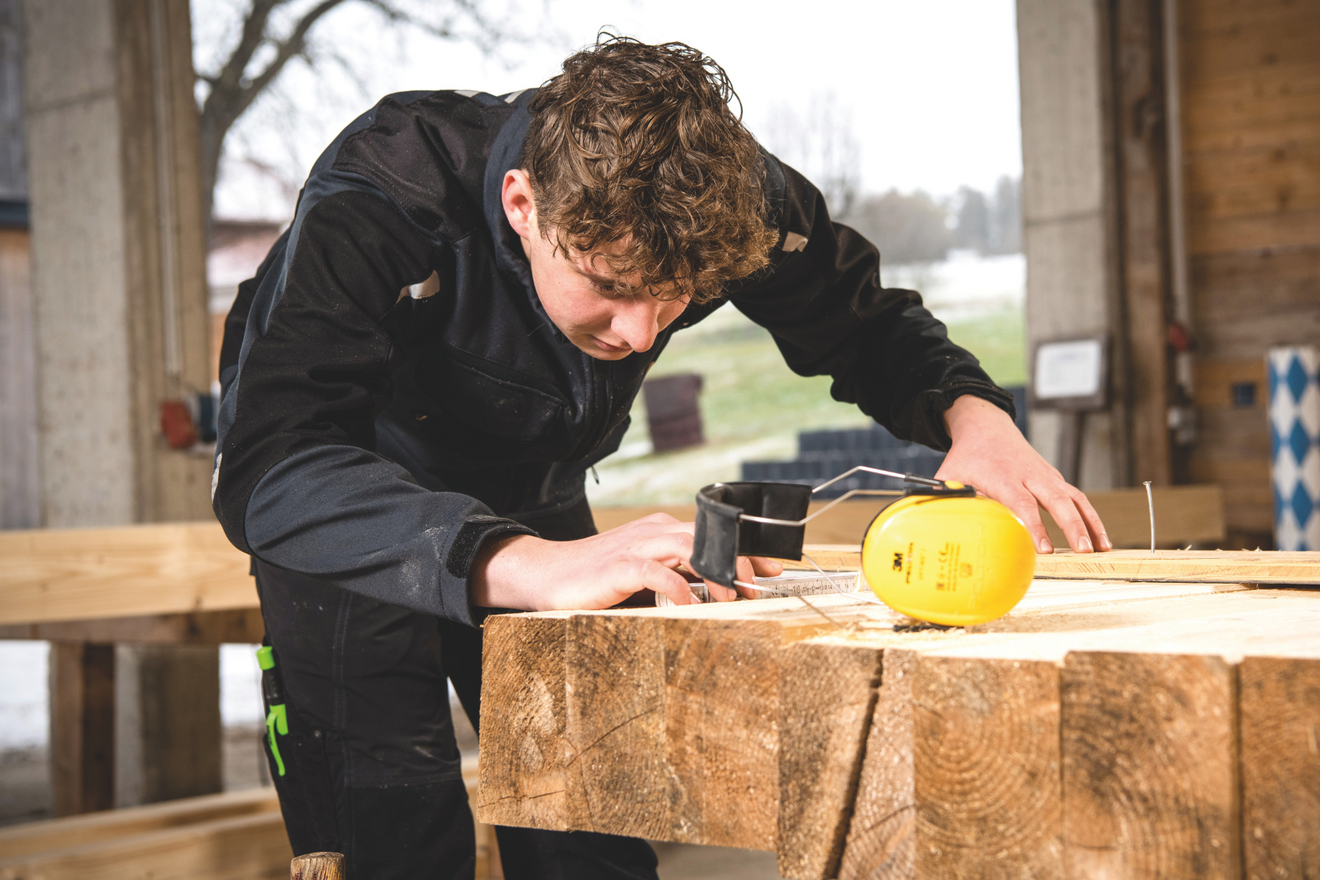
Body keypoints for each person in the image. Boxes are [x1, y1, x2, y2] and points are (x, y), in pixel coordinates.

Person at [214, 35, 1108, 880]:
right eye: (608, 286)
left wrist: (974, 416)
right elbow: (272, 465)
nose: (640, 334)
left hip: (529, 473)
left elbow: (863, 322)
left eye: (675, 296)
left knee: (590, 809)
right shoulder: (389, 189)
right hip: (347, 487)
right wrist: (526, 564)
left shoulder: (728, 202)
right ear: (523, 205)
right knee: (394, 818)